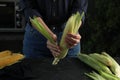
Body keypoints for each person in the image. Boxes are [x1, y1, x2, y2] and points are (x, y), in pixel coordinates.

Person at [20, 0, 88, 58]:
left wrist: (72, 32)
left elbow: (80, 8)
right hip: (37, 39)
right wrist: (49, 35)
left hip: (68, 40)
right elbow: (29, 8)